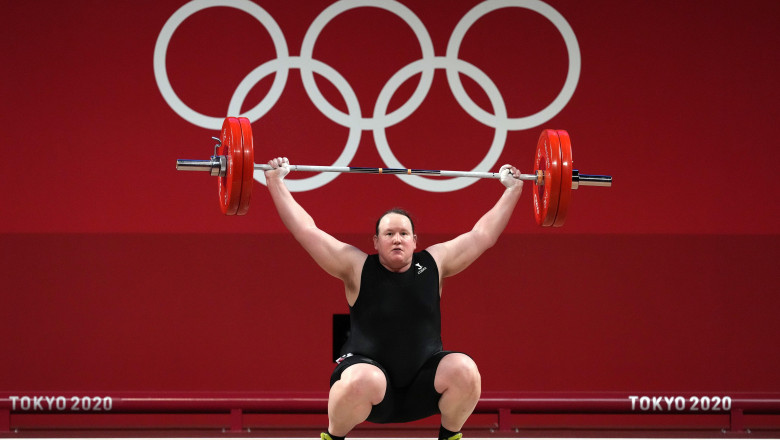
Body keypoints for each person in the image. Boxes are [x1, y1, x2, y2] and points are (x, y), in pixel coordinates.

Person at [264, 157, 523, 440]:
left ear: (415, 240)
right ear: (376, 242)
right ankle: (333, 437)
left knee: (465, 370)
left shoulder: (435, 263)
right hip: (370, 389)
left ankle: (448, 437)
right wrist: (275, 182)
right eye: (389, 234)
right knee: (364, 379)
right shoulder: (356, 267)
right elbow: (306, 231)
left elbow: (482, 235)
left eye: (403, 233)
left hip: (422, 387)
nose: (397, 239)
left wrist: (512, 190)